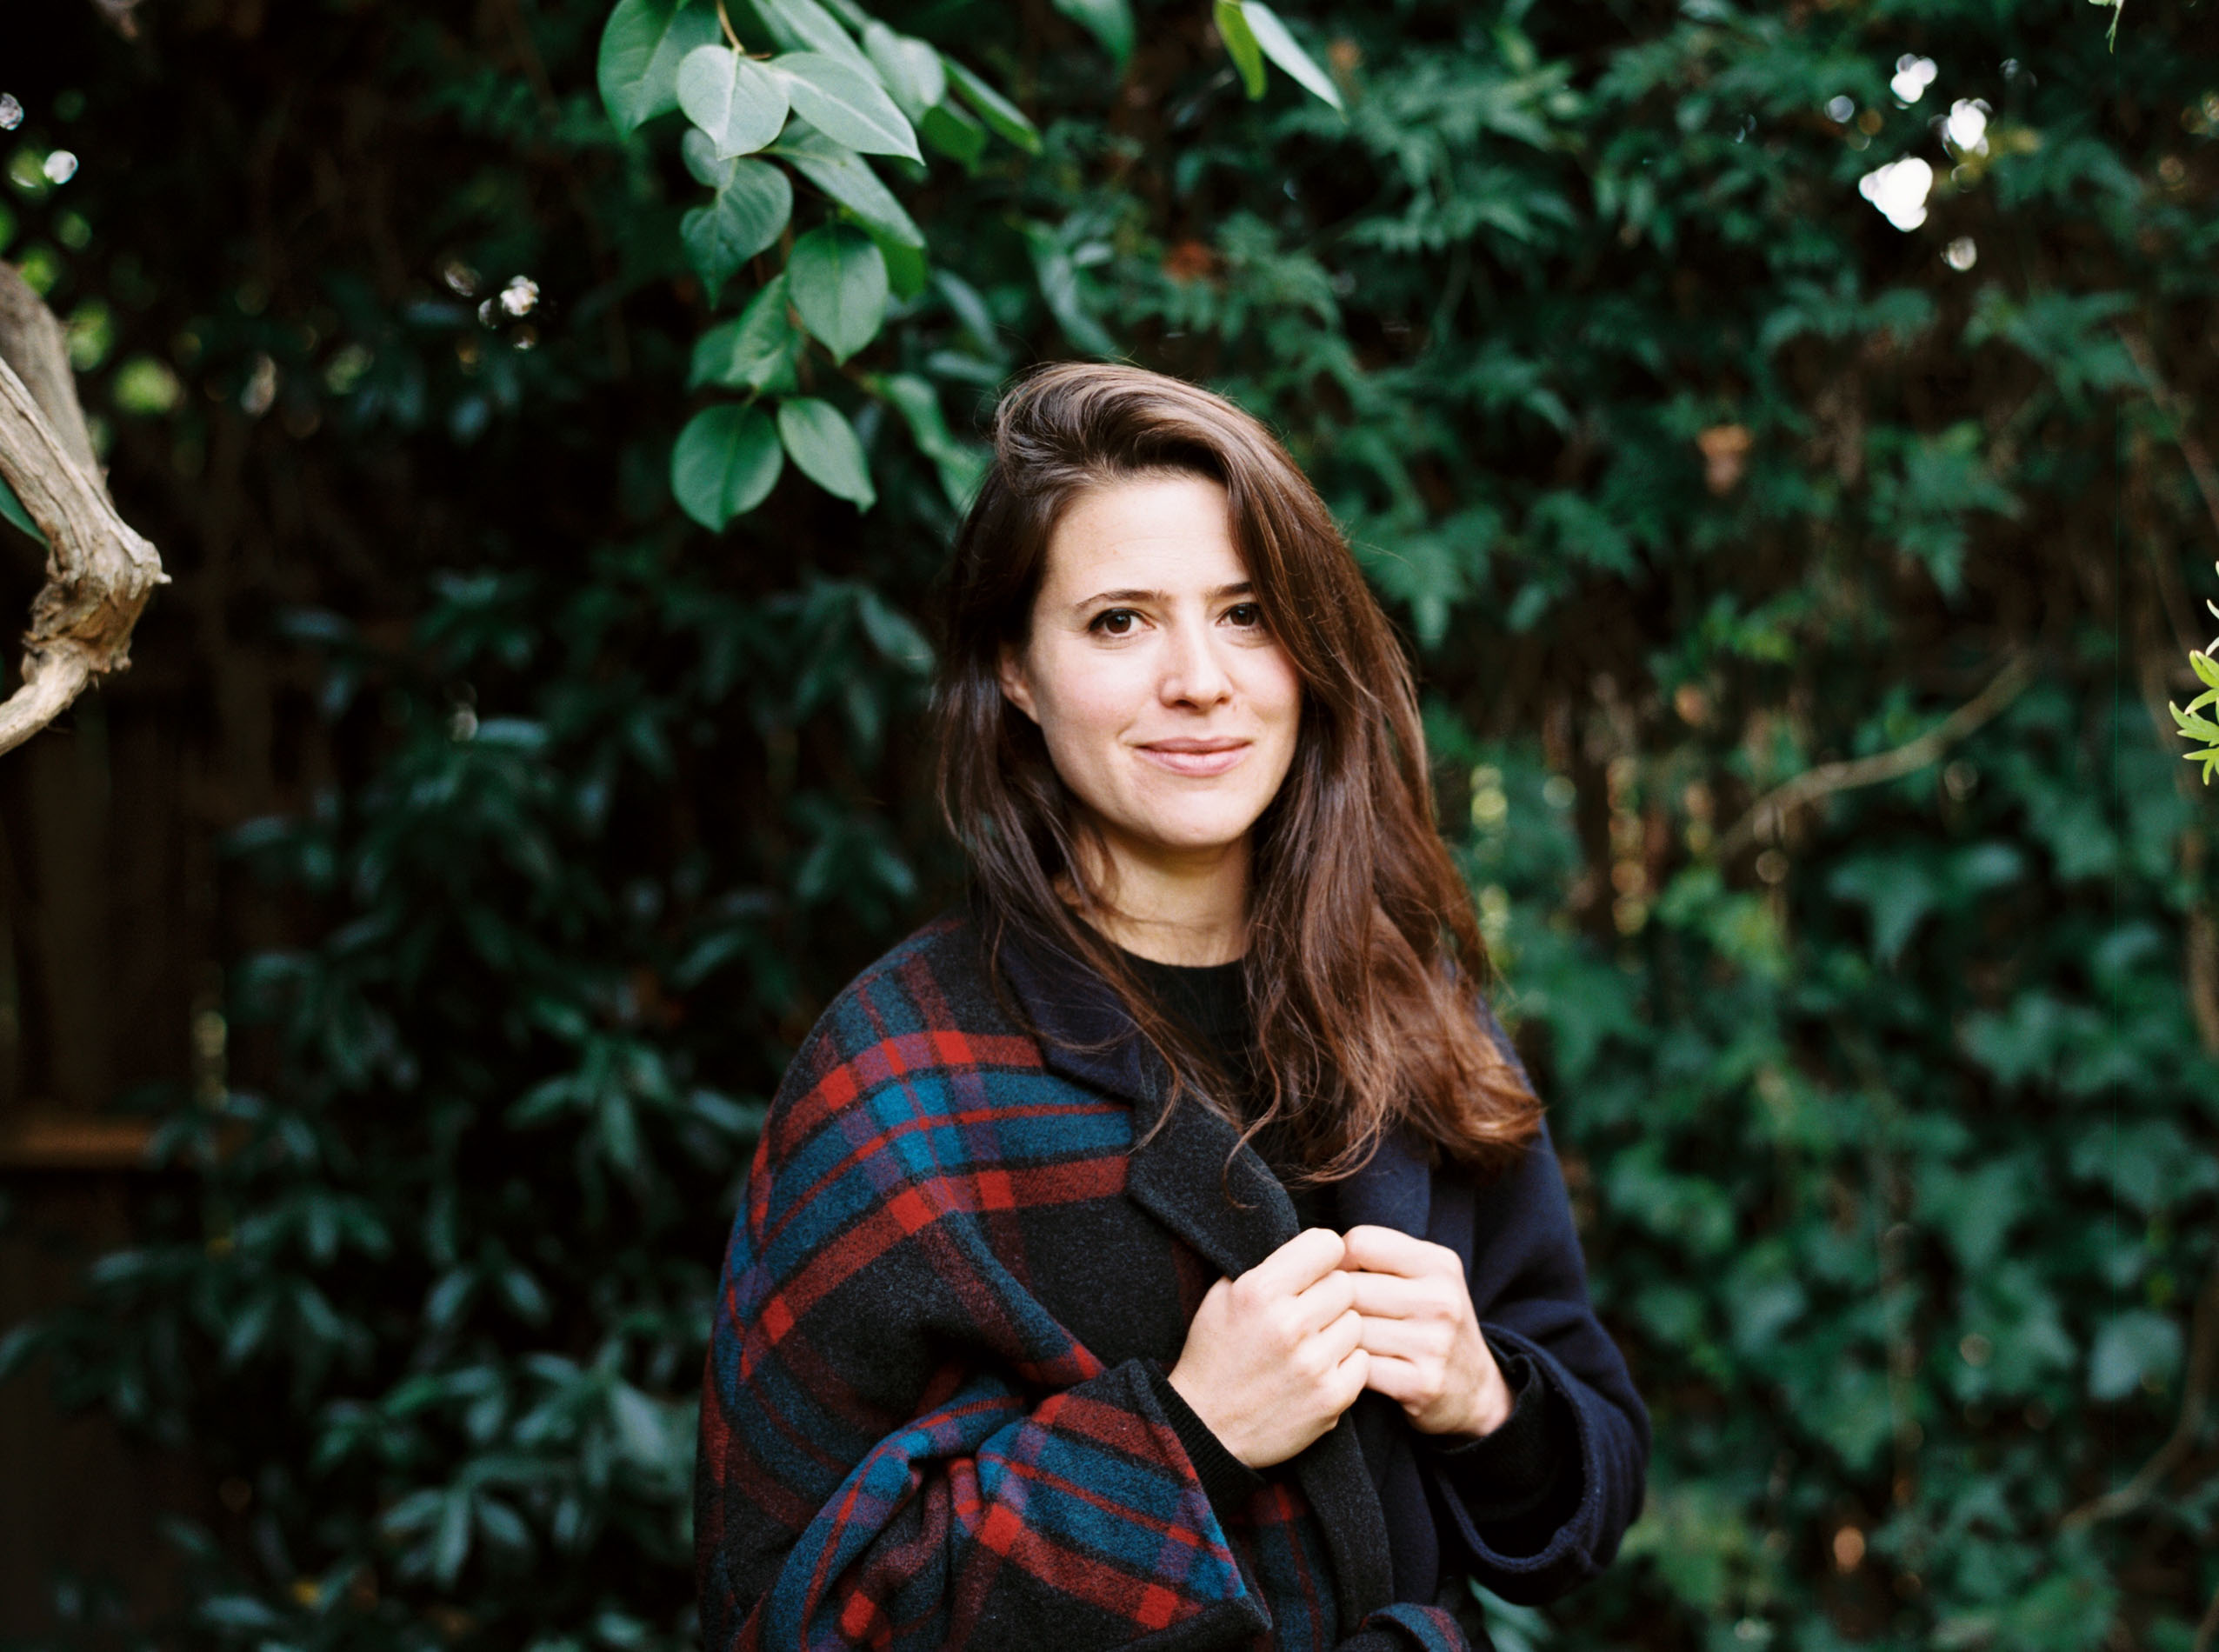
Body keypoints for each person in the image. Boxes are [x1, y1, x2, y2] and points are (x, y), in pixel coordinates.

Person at [694, 363, 1648, 1652]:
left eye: (1247, 614)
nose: (1200, 680)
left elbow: (1590, 1487)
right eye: (1119, 622)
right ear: (1015, 670)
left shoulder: (1407, 1005)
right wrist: (1183, 1440)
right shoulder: (899, 1079)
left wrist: (1489, 1400)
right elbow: (783, 1620)